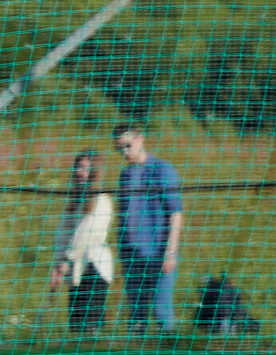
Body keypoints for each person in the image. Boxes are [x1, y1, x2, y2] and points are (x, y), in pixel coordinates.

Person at [113, 123, 183, 334]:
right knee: (136, 315)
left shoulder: (163, 170)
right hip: (132, 256)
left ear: (140, 139)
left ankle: (170, 354)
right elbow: (123, 216)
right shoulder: (125, 175)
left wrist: (170, 252)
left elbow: (176, 213)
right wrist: (123, 251)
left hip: (157, 254)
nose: (124, 152)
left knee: (162, 311)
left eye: (127, 145)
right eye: (119, 148)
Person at [49, 150, 113, 334]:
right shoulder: (75, 201)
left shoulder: (101, 199)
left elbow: (86, 233)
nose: (80, 172)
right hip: (75, 268)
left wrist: (67, 258)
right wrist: (58, 262)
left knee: (90, 325)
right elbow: (64, 231)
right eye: (77, 167)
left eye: (85, 168)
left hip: (94, 268)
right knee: (77, 327)